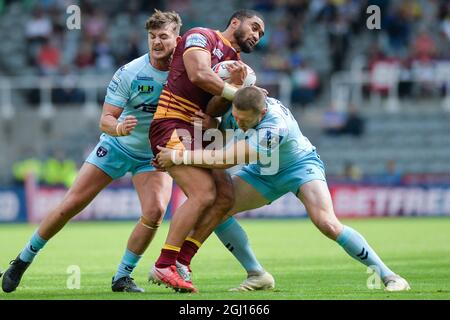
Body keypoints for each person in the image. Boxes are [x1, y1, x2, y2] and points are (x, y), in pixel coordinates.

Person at [156, 86, 411, 292]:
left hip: (299, 166)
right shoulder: (244, 107)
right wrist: (214, 125)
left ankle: (389, 276)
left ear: (262, 112)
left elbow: (227, 159)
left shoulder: (274, 127)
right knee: (217, 209)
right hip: (264, 171)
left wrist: (179, 157)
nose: (240, 125)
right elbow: (224, 133)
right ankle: (257, 275)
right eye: (237, 118)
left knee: (327, 223)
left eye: (246, 122)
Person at [1, 10, 182, 294]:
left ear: (177, 38)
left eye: (163, 36)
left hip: (153, 155)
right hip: (117, 146)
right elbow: (105, 119)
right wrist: (119, 128)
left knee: (156, 211)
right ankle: (22, 260)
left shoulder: (186, 72)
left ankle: (122, 277)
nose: (156, 42)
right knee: (70, 205)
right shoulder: (131, 72)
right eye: (152, 36)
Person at [148, 9, 273, 293]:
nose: (256, 35)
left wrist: (237, 86)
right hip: (172, 123)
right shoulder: (200, 36)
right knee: (203, 193)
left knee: (225, 196)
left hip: (199, 131)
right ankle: (163, 264)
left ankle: (182, 261)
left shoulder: (236, 64)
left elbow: (212, 110)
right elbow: (198, 74)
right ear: (234, 22)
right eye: (254, 27)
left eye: (261, 34)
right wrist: (239, 93)